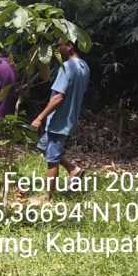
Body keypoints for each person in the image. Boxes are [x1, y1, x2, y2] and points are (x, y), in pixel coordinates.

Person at [30, 39, 90, 200]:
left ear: (70, 46)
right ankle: (73, 170)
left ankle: (48, 197)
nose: (57, 48)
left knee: (52, 159)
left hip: (59, 120)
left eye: (60, 45)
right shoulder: (84, 66)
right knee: (43, 147)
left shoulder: (67, 67)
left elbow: (58, 97)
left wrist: (39, 117)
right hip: (69, 118)